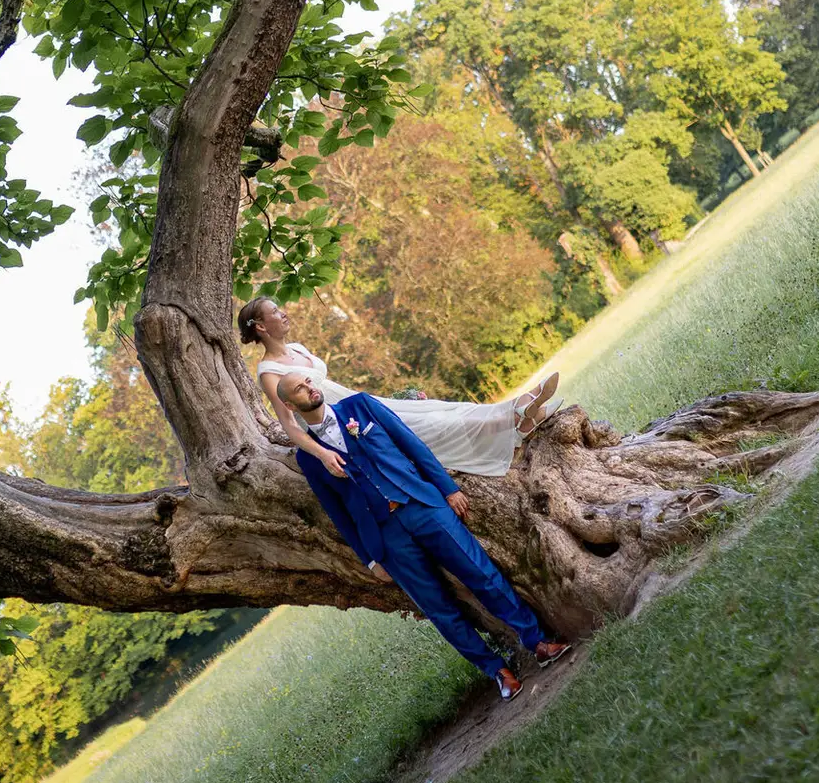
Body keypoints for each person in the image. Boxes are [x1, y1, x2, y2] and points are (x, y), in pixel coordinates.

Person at [276, 369, 570, 700]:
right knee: (439, 608)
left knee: (481, 574)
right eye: (299, 390)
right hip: (386, 537)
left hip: (423, 505)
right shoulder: (308, 457)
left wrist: (446, 488)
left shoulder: (360, 407)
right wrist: (370, 558)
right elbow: (337, 513)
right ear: (289, 404)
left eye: (308, 382)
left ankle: (537, 642)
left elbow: (411, 445)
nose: (309, 388)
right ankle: (497, 671)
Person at [238, 295, 558, 481]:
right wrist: (323, 454)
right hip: (348, 422)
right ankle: (517, 415)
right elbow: (290, 425)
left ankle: (518, 414)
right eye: (276, 312)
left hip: (360, 402)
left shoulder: (298, 347)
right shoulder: (269, 371)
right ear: (262, 327)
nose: (285, 313)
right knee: (429, 425)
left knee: (435, 409)